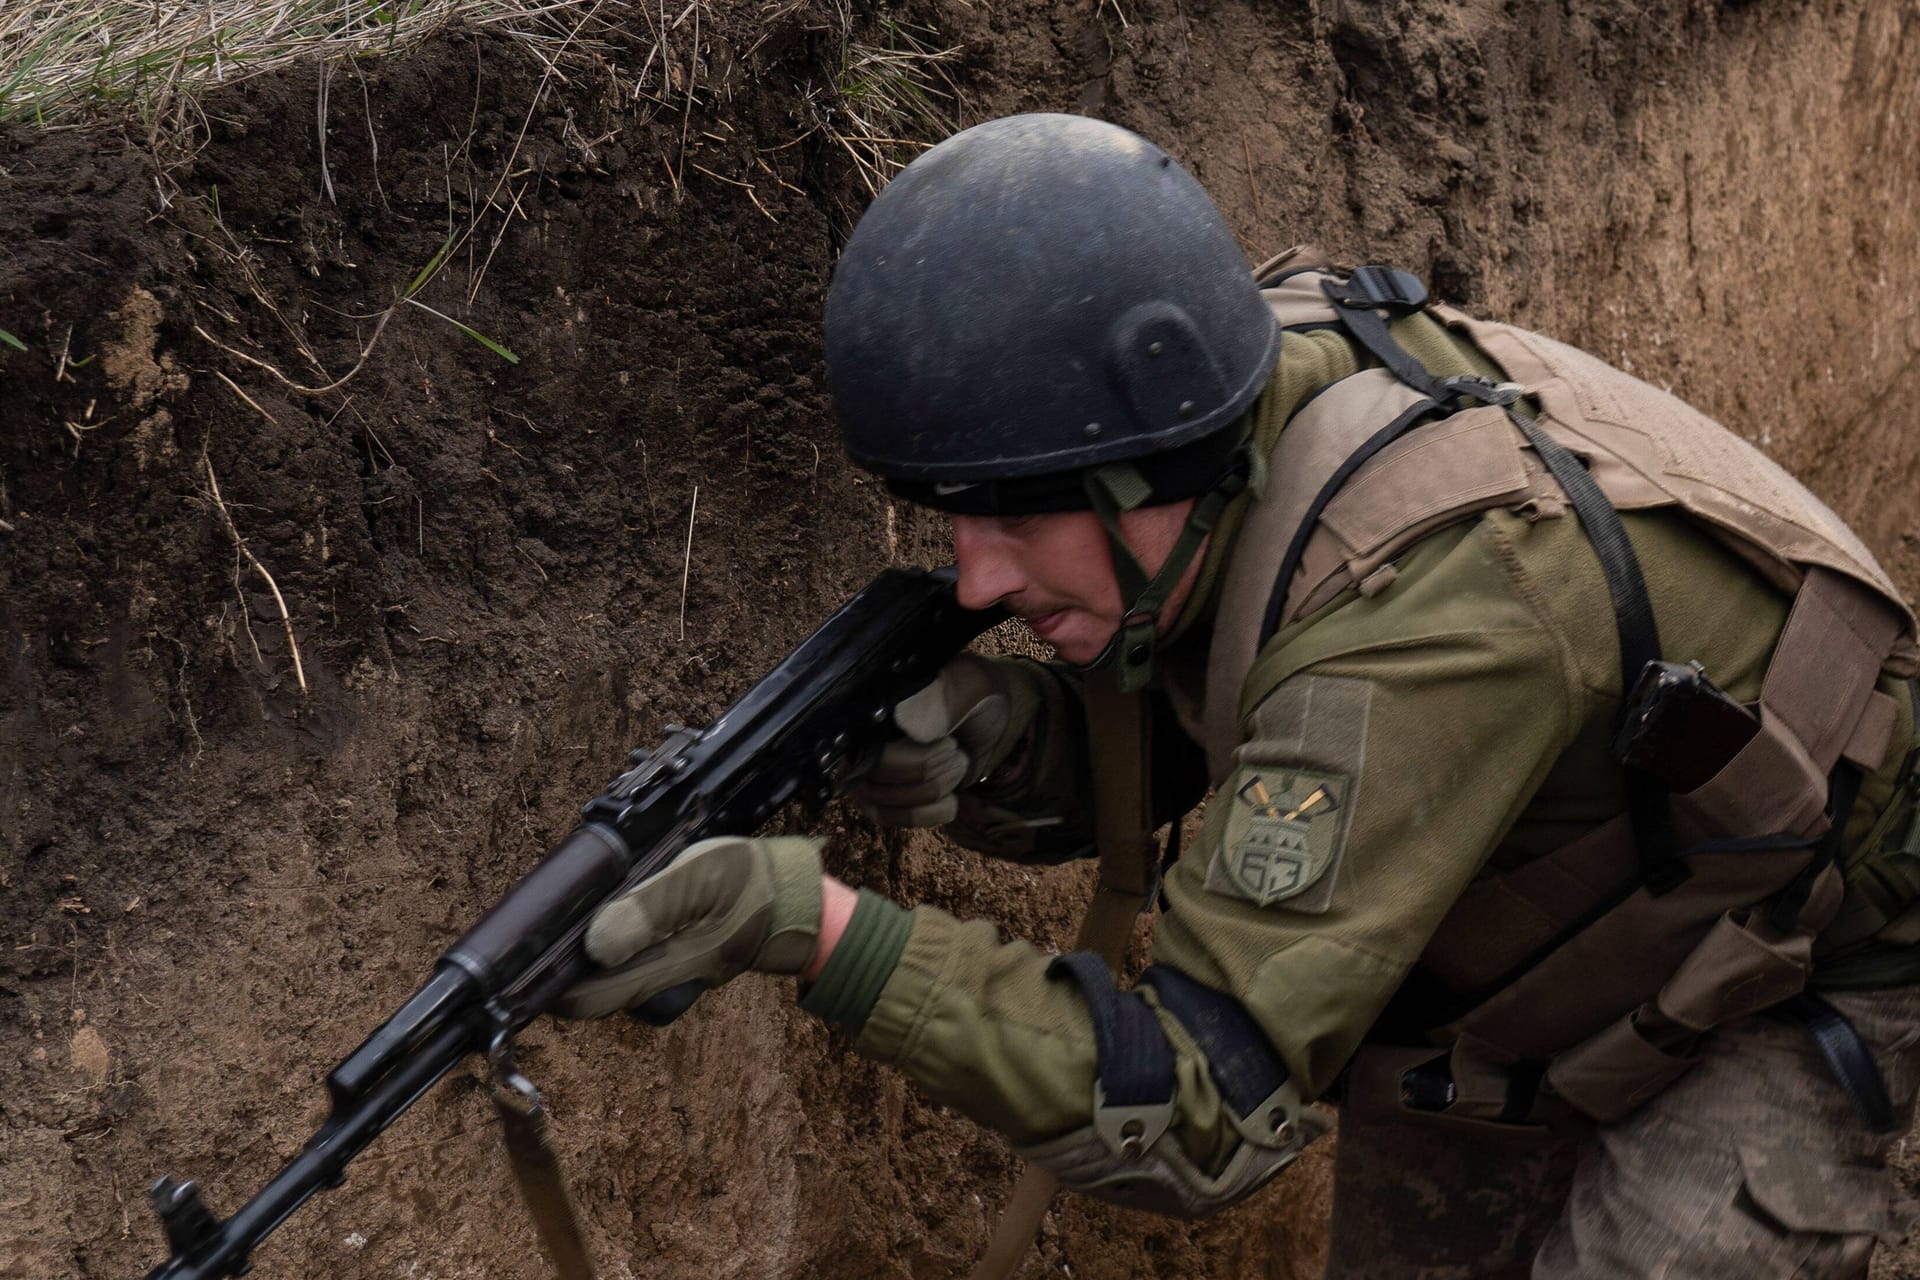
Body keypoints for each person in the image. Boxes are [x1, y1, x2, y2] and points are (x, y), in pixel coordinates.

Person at [556, 114, 1920, 1276]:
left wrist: (816, 928)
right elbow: (1228, 732)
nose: (971, 579)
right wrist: (995, 748)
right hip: (1559, 919)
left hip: (1799, 970)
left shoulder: (1432, 613)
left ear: (1145, 466)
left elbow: (1199, 1113)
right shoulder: (1226, 416)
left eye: (1015, 514)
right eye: (943, 516)